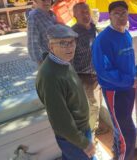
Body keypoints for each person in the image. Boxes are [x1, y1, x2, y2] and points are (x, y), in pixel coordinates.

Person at [35, 24, 96, 160]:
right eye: (63, 43)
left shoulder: (62, 61)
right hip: (73, 137)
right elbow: (60, 121)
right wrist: (84, 143)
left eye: (72, 42)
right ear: (51, 47)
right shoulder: (50, 76)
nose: (70, 47)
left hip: (79, 131)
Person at [92, 1, 137, 160]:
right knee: (127, 131)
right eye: (116, 13)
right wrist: (128, 81)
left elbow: (128, 61)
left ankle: (120, 151)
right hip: (115, 91)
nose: (120, 17)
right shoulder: (103, 39)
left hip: (129, 87)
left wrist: (135, 74)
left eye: (123, 13)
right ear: (110, 16)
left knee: (123, 125)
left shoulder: (126, 33)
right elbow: (104, 70)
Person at [72, 3, 107, 136]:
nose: (86, 15)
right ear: (75, 15)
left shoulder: (93, 27)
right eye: (82, 13)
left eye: (87, 12)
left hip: (97, 74)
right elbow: (69, 58)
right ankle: (90, 136)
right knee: (94, 106)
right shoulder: (73, 33)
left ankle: (95, 127)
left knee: (97, 104)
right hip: (84, 76)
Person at [27, 0, 57, 65]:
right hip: (47, 58)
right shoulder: (34, 17)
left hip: (58, 55)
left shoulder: (52, 14)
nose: (47, 1)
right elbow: (33, 43)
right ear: (35, 0)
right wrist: (40, 64)